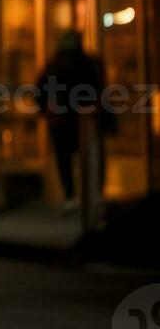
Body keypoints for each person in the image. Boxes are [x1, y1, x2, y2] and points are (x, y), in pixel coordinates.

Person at [38, 30, 112, 212]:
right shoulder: (89, 63)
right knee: (90, 158)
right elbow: (101, 91)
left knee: (65, 160)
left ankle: (71, 195)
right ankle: (92, 194)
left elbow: (40, 92)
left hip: (63, 122)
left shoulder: (54, 65)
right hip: (85, 121)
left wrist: (48, 110)